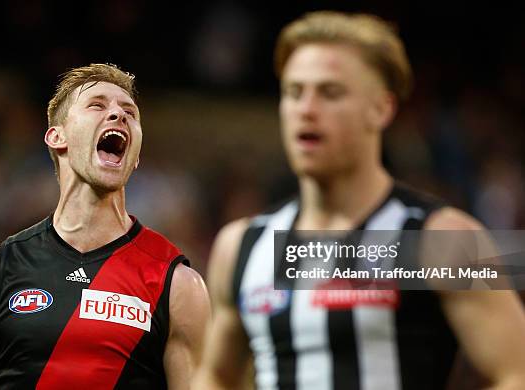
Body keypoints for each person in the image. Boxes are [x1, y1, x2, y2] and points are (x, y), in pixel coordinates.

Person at [194, 11, 525, 390]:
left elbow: (515, 372)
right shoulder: (240, 245)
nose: (306, 108)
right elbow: (214, 376)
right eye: (294, 91)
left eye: (330, 92)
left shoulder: (447, 239)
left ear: (381, 109)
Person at [0, 63, 210, 389]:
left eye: (129, 112)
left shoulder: (177, 283)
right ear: (56, 136)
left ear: (136, 156)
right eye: (97, 105)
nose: (119, 115)